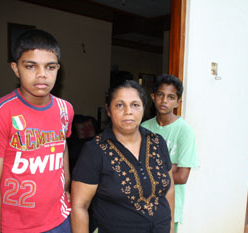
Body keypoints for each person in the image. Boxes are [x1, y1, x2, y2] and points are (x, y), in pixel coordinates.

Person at [0, 29, 74, 233]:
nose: (42, 74)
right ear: (16, 68)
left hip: (59, 220)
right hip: (15, 226)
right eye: (31, 66)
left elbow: (62, 149)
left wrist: (66, 188)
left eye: (50, 67)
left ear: (58, 69)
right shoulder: (0, 112)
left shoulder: (65, 109)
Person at [71, 80, 175, 233]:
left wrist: (171, 227)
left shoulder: (157, 142)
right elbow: (80, 206)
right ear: (108, 110)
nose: (128, 111)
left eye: (135, 105)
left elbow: (170, 190)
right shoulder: (95, 150)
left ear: (143, 108)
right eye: (120, 105)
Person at [141, 74, 199, 233]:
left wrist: (149, 166)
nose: (164, 100)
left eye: (171, 97)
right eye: (160, 95)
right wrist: (170, 167)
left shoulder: (185, 132)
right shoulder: (143, 128)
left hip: (169, 207)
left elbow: (181, 177)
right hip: (142, 205)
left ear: (178, 102)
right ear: (153, 97)